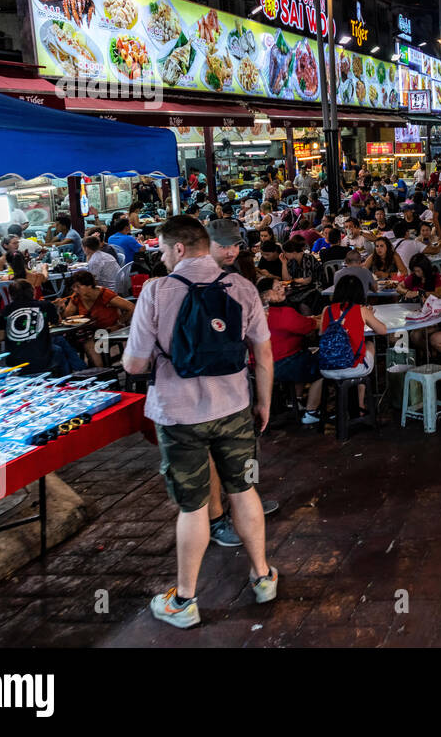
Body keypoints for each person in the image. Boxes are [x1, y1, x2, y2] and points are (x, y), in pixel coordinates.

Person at [123, 215, 276, 628]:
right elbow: (263, 355)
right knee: (244, 490)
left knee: (192, 507)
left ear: (175, 249)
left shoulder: (156, 291)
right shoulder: (241, 287)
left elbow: (134, 364)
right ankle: (263, 576)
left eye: (160, 249)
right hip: (234, 409)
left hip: (178, 416)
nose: (159, 256)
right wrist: (264, 404)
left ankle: (185, 600)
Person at [257, 276, 325, 425]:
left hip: (261, 365)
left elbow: (304, 321)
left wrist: (316, 318)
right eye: (278, 288)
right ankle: (311, 412)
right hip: (280, 364)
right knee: (323, 365)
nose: (283, 290)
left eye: (282, 286)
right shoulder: (282, 313)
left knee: (304, 355)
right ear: (266, 295)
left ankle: (295, 401)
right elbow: (311, 325)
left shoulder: (259, 313)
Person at [320, 277, 388, 416]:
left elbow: (322, 334)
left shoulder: (326, 310)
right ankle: (360, 404)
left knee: (360, 350)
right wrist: (367, 316)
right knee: (368, 345)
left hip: (327, 368)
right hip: (354, 368)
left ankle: (340, 403)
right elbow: (383, 330)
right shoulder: (361, 309)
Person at [57, 270, 133, 366]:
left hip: (109, 329)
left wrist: (119, 323)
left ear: (89, 285)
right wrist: (61, 308)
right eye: (73, 287)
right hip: (88, 330)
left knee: (86, 339)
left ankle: (100, 370)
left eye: (78, 287)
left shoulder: (104, 295)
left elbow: (131, 307)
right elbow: (67, 316)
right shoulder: (77, 297)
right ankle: (85, 369)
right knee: (65, 340)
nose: (75, 290)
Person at [0, 278, 59, 374]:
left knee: (58, 347)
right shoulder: (45, 305)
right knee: (59, 349)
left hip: (14, 362)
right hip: (41, 360)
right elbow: (57, 321)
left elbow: (0, 337)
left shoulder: (6, 310)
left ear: (11, 295)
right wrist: (58, 307)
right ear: (33, 292)